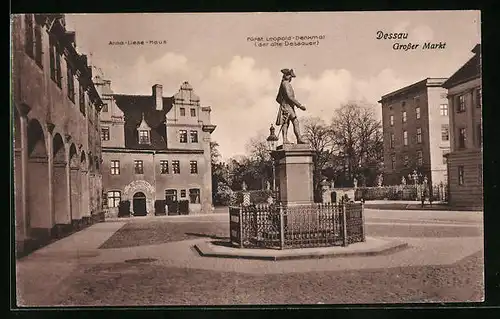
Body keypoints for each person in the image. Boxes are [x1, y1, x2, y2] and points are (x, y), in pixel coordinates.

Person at [275, 68, 307, 144]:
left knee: (287, 123)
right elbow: (290, 97)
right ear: (286, 76)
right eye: (290, 76)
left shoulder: (284, 83)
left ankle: (290, 139)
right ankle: (297, 138)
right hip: (287, 106)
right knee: (293, 121)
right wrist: (299, 105)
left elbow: (278, 99)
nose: (291, 78)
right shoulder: (285, 84)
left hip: (288, 106)